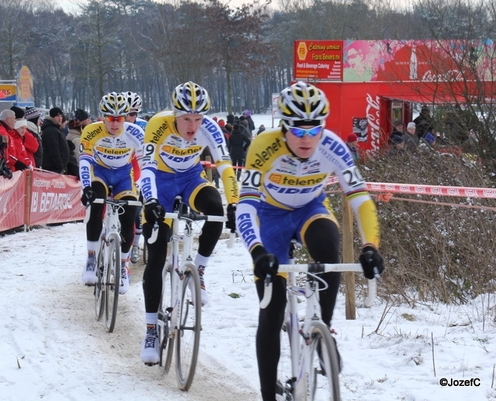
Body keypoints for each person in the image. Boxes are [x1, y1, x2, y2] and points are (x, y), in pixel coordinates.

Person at [235, 81, 384, 401]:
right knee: (272, 311)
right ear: (284, 127)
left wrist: (370, 247)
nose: (307, 138)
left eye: (314, 129)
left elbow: (361, 200)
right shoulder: (263, 145)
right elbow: (245, 206)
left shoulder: (333, 146)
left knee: (329, 246)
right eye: (298, 130)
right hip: (270, 217)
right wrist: (257, 250)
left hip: (310, 209)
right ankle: (267, 395)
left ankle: (322, 332)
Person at [139, 81, 239, 364]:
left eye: (198, 118)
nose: (193, 126)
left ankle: (200, 271)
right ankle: (150, 330)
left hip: (190, 179)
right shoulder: (157, 125)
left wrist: (234, 202)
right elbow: (145, 168)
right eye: (186, 119)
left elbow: (226, 166)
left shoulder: (210, 129)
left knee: (216, 210)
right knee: (157, 256)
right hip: (160, 183)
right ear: (175, 115)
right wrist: (150, 201)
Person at [78, 92, 143, 292]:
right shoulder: (91, 131)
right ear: (102, 117)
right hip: (100, 173)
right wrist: (86, 187)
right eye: (110, 119)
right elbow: (84, 161)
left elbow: (145, 164)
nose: (115, 124)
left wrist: (145, 190)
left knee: (130, 216)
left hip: (125, 176)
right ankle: (91, 258)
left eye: (120, 119)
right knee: (96, 205)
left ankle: (123, 265)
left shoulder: (135, 133)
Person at [123, 91, 147, 264]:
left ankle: (136, 245)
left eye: (132, 114)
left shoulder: (143, 127)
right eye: (125, 113)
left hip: (136, 169)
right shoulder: (112, 124)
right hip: (117, 170)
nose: (127, 117)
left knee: (135, 211)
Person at [41, 107, 69, 174]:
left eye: (61, 116)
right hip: (53, 169)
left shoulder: (55, 129)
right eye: (57, 116)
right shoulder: (51, 130)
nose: (60, 119)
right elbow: (53, 150)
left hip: (55, 168)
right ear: (52, 117)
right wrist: (60, 166)